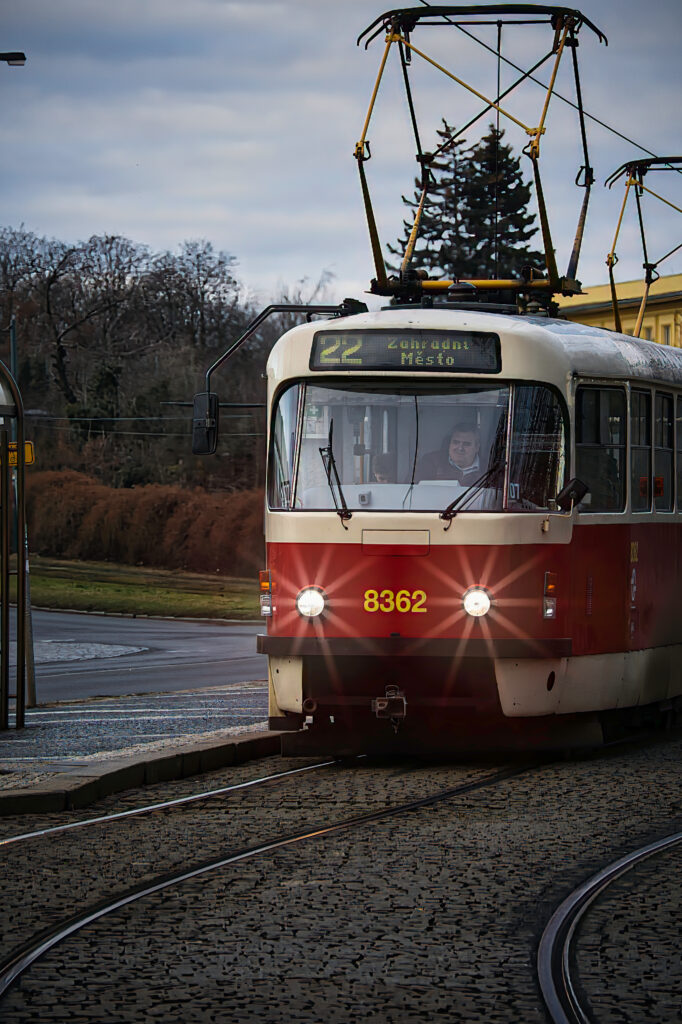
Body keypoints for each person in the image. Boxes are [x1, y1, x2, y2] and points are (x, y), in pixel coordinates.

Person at [416, 422, 482, 484]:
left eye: (466, 444)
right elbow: (411, 490)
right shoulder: (431, 462)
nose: (460, 448)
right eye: (455, 442)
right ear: (449, 443)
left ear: (477, 447)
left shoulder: (487, 469)